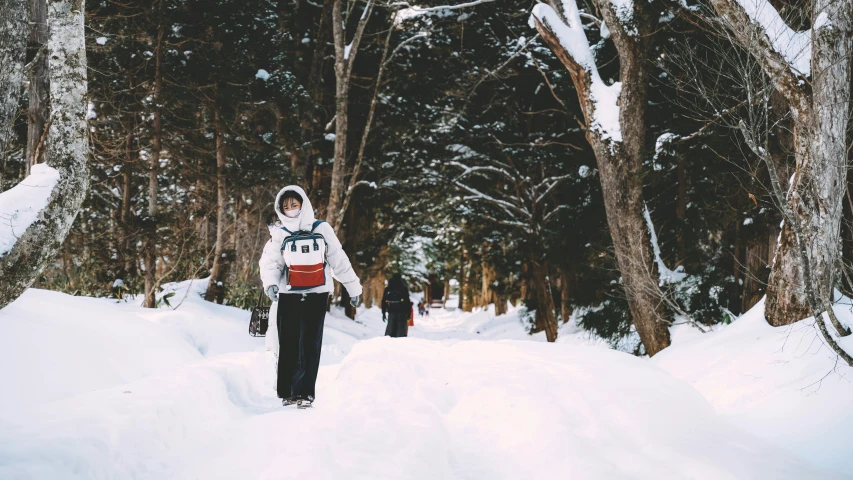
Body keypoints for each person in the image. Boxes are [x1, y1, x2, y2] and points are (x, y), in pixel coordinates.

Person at [259, 186, 362, 409]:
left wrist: (353, 288)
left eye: (294, 205)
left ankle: (305, 393)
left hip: (317, 293)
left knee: (310, 343)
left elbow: (338, 259)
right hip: (288, 294)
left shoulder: (322, 228)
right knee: (288, 343)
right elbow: (271, 263)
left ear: (303, 204)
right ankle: (288, 392)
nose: (290, 210)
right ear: (280, 209)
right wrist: (270, 284)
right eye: (285, 207)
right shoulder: (280, 233)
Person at [382, 273, 412, 338]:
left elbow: (384, 301)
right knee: (400, 332)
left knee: (390, 331)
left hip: (391, 311)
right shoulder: (403, 288)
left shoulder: (388, 289)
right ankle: (400, 344)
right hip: (402, 312)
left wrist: (383, 313)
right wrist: (409, 314)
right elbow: (407, 302)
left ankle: (388, 344)